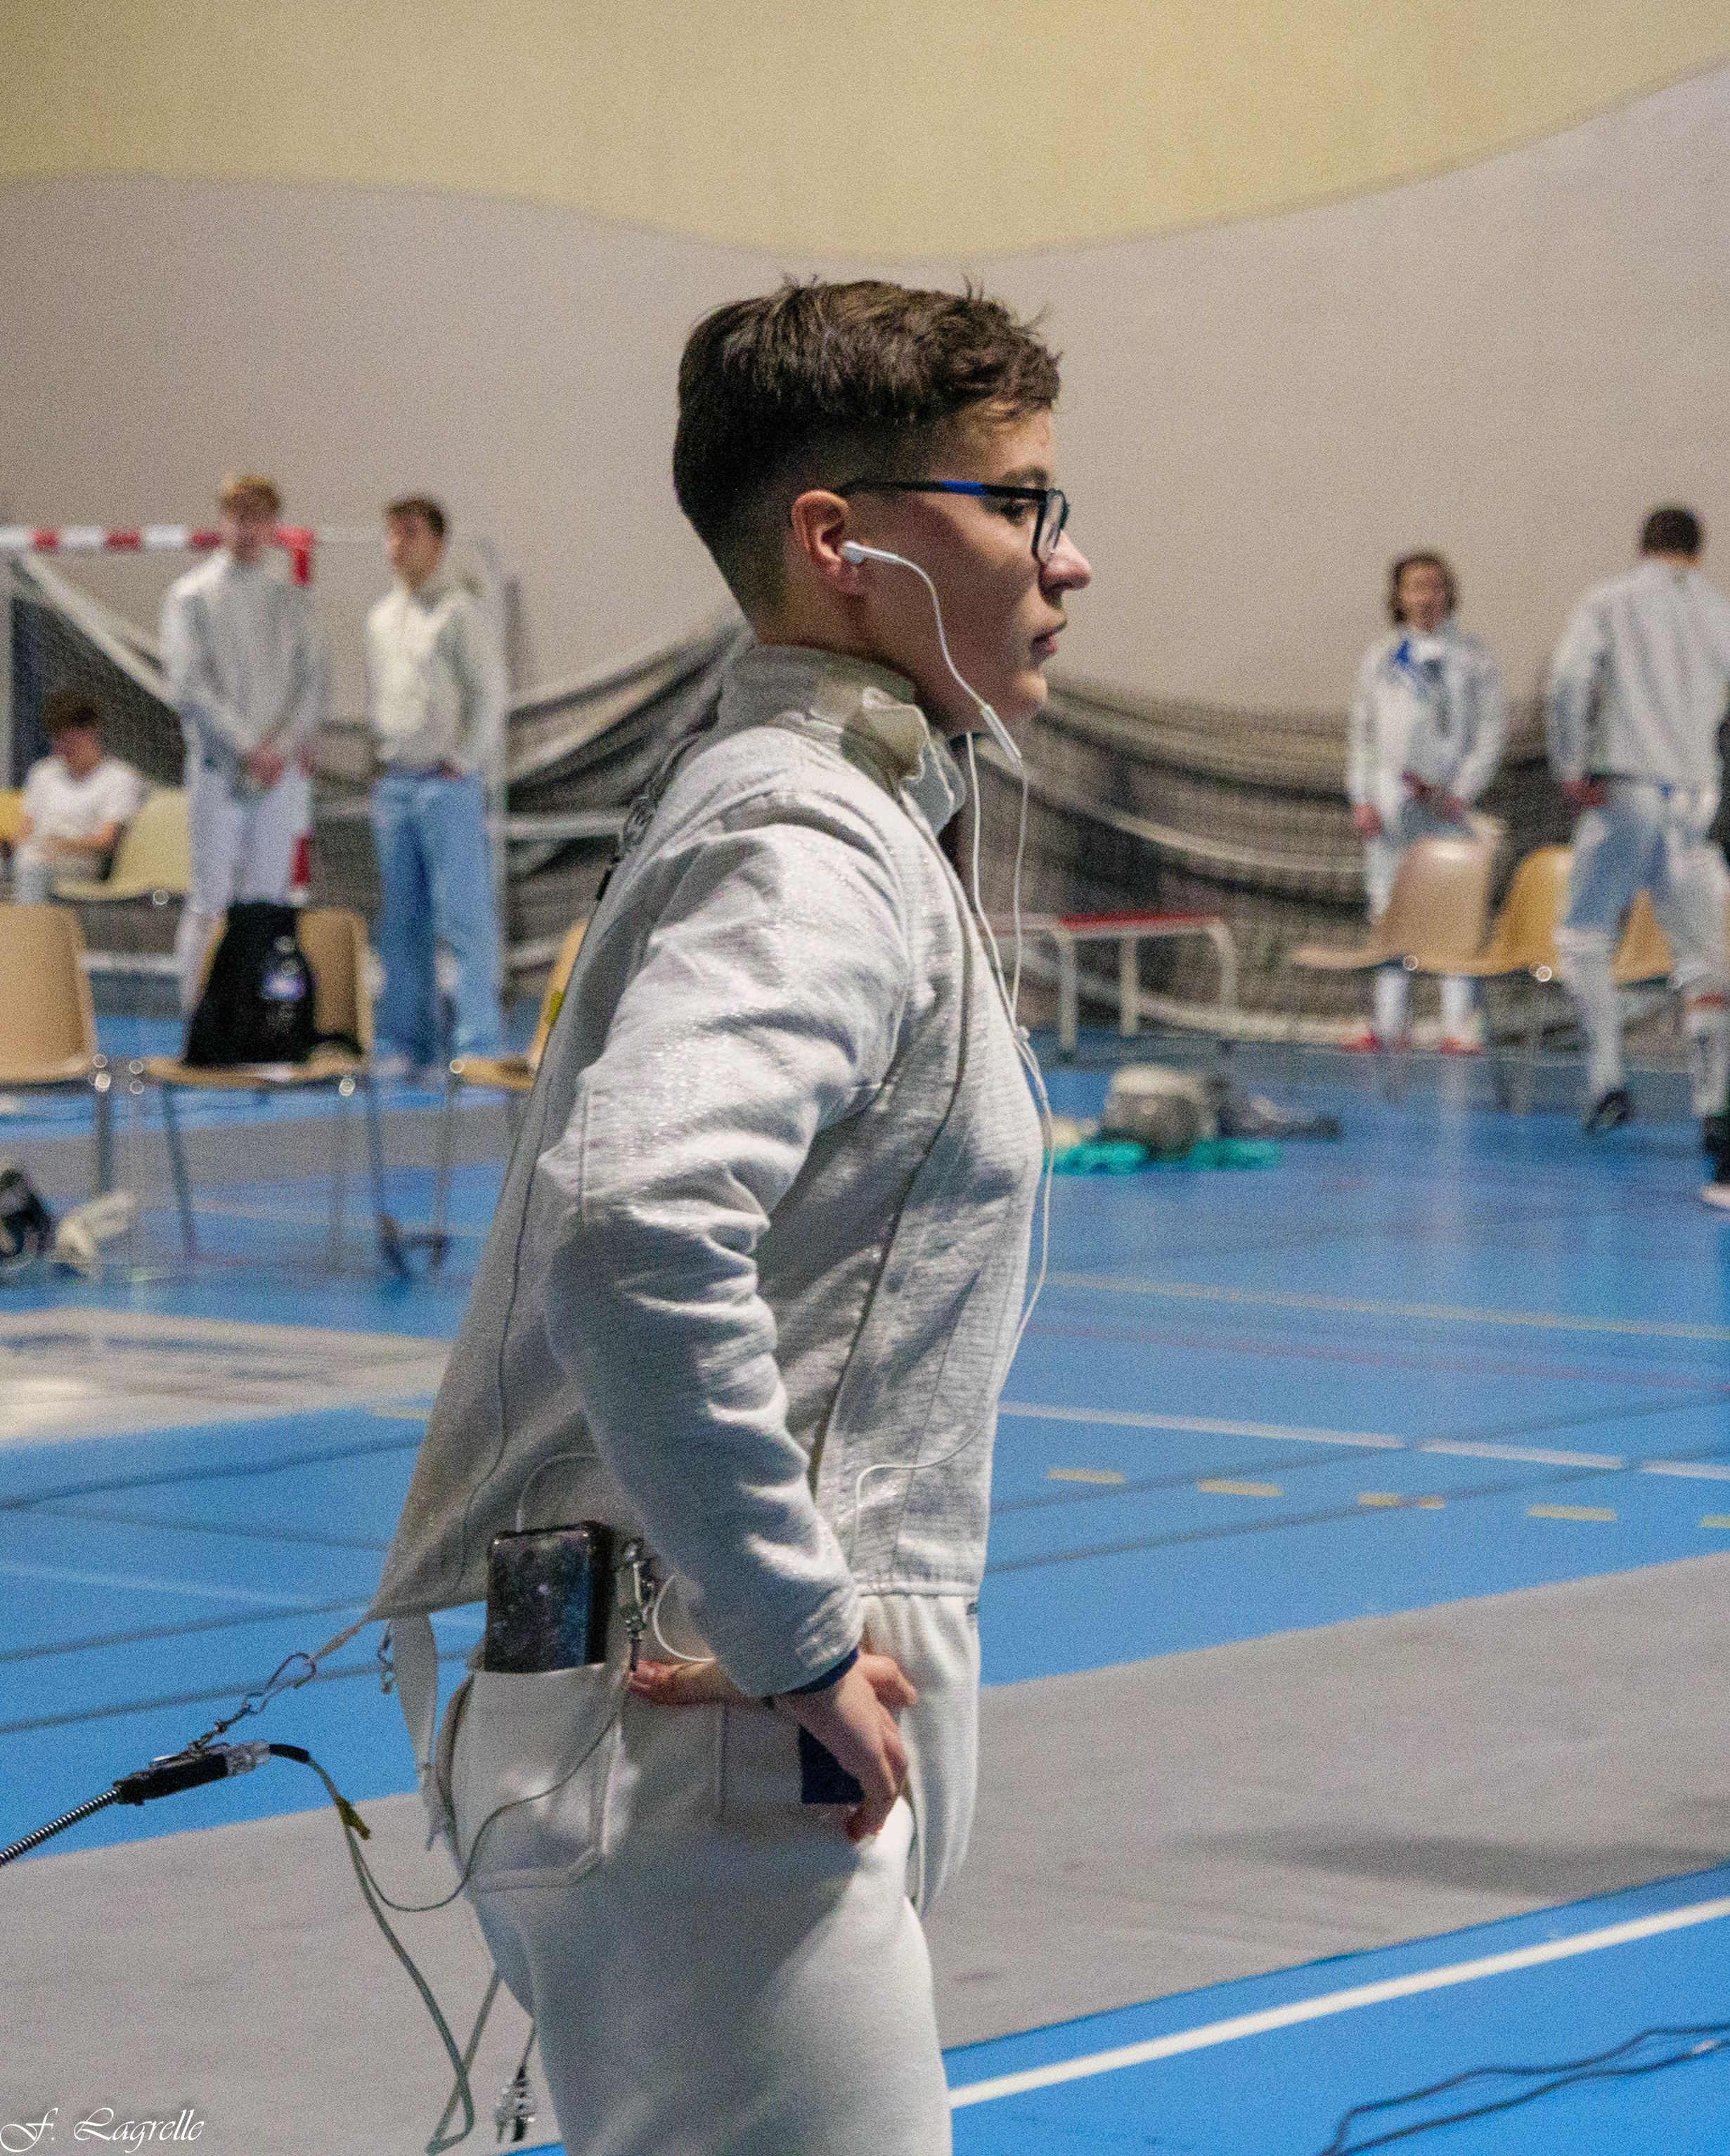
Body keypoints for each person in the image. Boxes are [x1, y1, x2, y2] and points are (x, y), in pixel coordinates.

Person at [368, 278, 1090, 2155]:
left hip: (692, 1734)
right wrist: (793, 1630)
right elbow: (631, 1220)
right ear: (838, 541)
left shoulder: (828, 803)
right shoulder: (804, 835)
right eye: (1017, 502)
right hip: (703, 1738)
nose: (1064, 558)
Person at [1547, 505, 1730, 1156]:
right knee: (1703, 957)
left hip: (1625, 788)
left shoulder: (1608, 600)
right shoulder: (1719, 611)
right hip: (1697, 797)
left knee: (1582, 933)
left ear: (1642, 545)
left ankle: (1606, 1082)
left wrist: (1571, 764)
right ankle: (1713, 1105)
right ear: (1696, 552)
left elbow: (1568, 679)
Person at [160, 475, 327, 1012]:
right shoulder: (190, 596)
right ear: (222, 520)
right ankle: (198, 1024)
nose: (248, 528)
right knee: (209, 900)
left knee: (266, 904)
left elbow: (312, 682)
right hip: (218, 771)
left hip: (278, 776)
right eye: (238, 516)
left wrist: (281, 746)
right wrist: (247, 746)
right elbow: (189, 685)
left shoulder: (291, 601)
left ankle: (256, 1025)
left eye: (259, 517)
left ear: (274, 525)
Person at [364, 495, 508, 1079]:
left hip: (446, 786)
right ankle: (407, 1042)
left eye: (409, 532)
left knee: (463, 919)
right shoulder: (379, 619)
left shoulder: (459, 614)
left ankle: (476, 1045)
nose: (396, 544)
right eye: (390, 533)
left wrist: (463, 759)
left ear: (438, 543)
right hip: (394, 786)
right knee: (401, 923)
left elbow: (489, 693)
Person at [1345, 550, 1506, 1051]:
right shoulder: (1380, 659)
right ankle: (1389, 1022)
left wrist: (1462, 791)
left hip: (1447, 804)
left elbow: (1490, 732)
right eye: (1415, 587)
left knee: (1454, 910)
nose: (1425, 597)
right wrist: (1362, 796)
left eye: (1434, 586)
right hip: (1390, 805)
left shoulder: (1473, 659)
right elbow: (1362, 733)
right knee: (1387, 907)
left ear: (1448, 593)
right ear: (1399, 596)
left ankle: (1460, 1024)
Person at [12, 692, 145, 903]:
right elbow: (25, 831)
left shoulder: (119, 777)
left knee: (35, 867)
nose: (62, 749)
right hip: (38, 854)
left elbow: (107, 842)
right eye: (57, 741)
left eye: (69, 741)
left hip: (83, 862)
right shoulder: (44, 772)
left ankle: (29, 922)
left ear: (91, 734)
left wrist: (63, 845)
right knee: (28, 860)